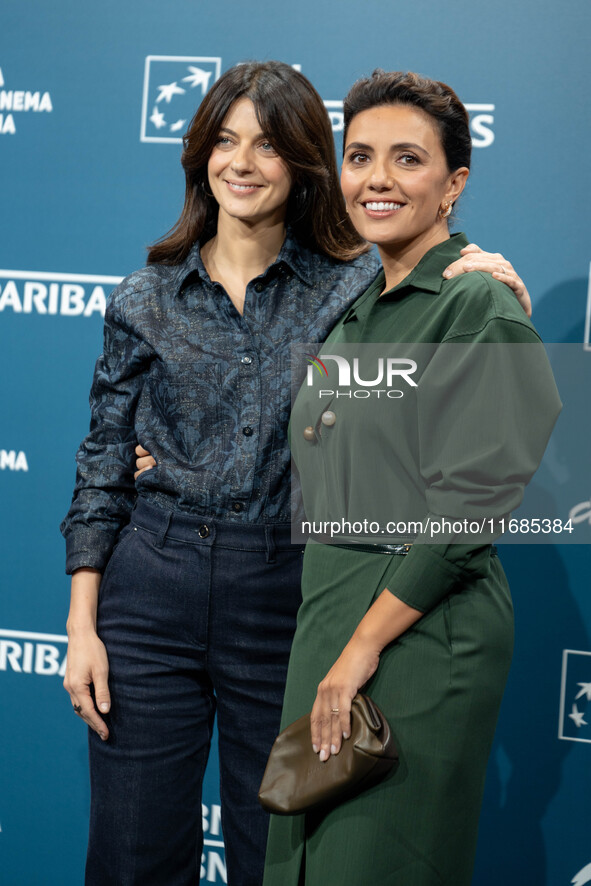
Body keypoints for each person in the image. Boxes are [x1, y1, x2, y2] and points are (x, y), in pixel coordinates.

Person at [61, 61, 532, 886]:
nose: (241, 162)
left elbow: (437, 318)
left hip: (285, 588)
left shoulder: (352, 287)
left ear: (304, 164)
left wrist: (494, 283)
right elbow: (102, 465)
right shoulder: (145, 297)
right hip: (152, 584)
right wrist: (81, 626)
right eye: (224, 140)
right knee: (131, 854)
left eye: (269, 145)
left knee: (274, 851)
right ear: (200, 155)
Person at [263, 71, 561, 886]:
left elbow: (473, 504)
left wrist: (360, 649)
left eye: (407, 159)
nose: (378, 180)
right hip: (331, 631)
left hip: (418, 639)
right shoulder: (357, 309)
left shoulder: (478, 306)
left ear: (453, 183)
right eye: (359, 157)